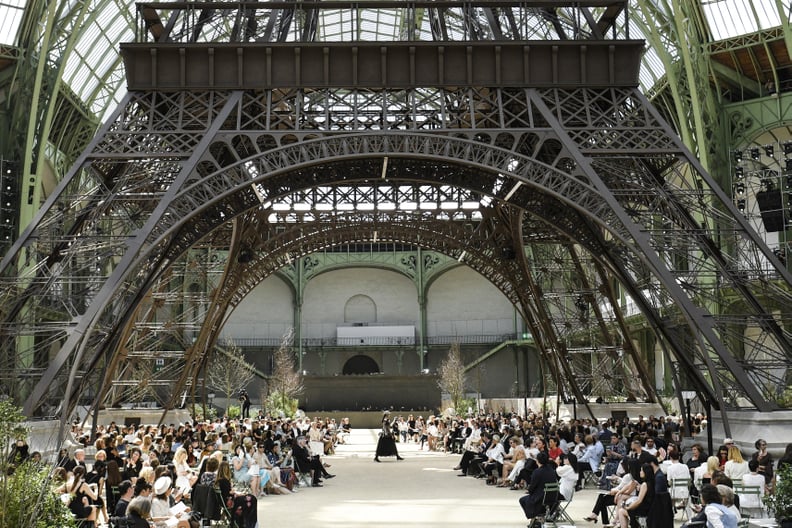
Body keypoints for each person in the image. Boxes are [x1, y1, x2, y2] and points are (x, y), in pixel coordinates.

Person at [518, 451, 558, 526]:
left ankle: (534, 518)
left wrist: (530, 491)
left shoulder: (537, 472)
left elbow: (532, 488)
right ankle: (538, 516)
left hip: (541, 497)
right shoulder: (552, 470)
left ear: (538, 461)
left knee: (523, 500)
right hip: (553, 496)